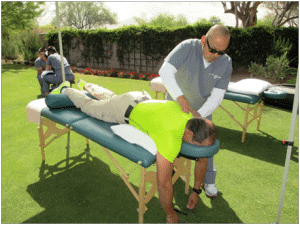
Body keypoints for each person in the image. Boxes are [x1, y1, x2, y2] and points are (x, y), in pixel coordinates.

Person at [49, 79, 218, 223]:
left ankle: (88, 86)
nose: (199, 151)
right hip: (121, 110)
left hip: (139, 97)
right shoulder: (169, 138)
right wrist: (170, 214)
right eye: (198, 146)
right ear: (189, 133)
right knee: (88, 105)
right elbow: (164, 184)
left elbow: (202, 158)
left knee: (111, 98)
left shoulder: (191, 114)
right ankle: (66, 88)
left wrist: (196, 190)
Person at [158, 24, 232, 202]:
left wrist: (199, 114)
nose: (216, 55)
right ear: (203, 40)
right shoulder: (188, 47)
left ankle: (208, 181)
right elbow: (165, 71)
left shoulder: (226, 62)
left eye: (220, 52)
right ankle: (171, 169)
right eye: (213, 49)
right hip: (175, 107)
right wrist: (180, 97)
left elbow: (217, 96)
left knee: (206, 146)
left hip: (202, 110)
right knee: (171, 143)